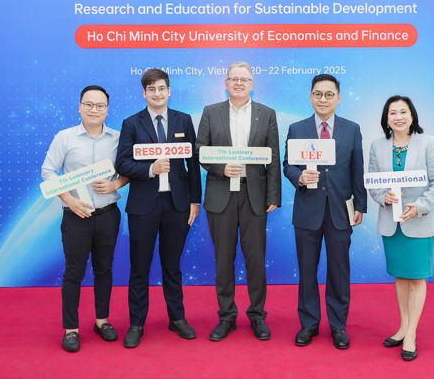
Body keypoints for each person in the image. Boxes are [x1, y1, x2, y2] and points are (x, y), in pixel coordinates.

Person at [115, 69, 202, 348]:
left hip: (177, 205)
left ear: (169, 91)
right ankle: (136, 323)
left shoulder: (183, 120)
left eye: (161, 88)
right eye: (151, 89)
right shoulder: (131, 123)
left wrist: (194, 200)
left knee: (172, 266)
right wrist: (150, 169)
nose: (157, 93)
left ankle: (177, 318)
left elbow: (193, 164)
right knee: (139, 267)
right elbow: (122, 163)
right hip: (143, 207)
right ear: (144, 93)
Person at [196, 61, 281, 342]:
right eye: (234, 79)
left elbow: (273, 156)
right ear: (226, 83)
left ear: (252, 84)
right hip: (221, 194)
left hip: (254, 196)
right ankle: (226, 316)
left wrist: (273, 196)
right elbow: (199, 150)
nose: (239, 83)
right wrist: (221, 168)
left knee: (256, 259)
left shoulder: (266, 114)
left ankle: (257, 316)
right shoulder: (211, 112)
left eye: (244, 79)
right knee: (223, 259)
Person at [41, 85, 130, 353]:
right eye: (88, 104)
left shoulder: (118, 138)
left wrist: (116, 184)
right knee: (74, 272)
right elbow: (48, 171)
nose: (94, 109)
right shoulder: (65, 137)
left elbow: (130, 170)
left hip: (108, 215)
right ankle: (71, 329)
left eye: (100, 105)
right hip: (75, 216)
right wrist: (69, 200)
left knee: (104, 269)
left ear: (107, 110)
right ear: (79, 107)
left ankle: (102, 321)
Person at [283, 74, 366, 350]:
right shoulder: (297, 129)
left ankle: (338, 325)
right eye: (318, 94)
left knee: (339, 270)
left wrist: (360, 205)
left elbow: (357, 169)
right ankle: (309, 323)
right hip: (308, 210)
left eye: (329, 94)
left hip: (340, 210)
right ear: (311, 97)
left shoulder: (351, 129)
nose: (323, 99)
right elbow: (288, 165)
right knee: (307, 270)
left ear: (338, 98)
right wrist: (299, 177)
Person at [367, 95, 434, 361]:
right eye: (393, 113)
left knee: (416, 278)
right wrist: (383, 197)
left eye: (403, 112)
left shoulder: (428, 143)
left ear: (412, 116)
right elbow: (372, 182)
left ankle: (411, 333)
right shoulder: (377, 146)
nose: (398, 117)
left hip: (419, 222)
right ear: (386, 119)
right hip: (392, 224)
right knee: (401, 277)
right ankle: (402, 327)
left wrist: (420, 206)